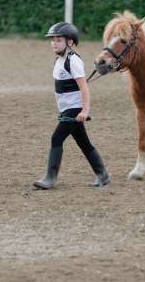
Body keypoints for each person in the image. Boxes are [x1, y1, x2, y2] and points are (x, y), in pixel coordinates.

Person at [34, 22, 110, 189]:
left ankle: (50, 177)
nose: (54, 42)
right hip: (66, 109)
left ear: (70, 42)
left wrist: (84, 110)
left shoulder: (73, 61)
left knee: (56, 138)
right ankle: (102, 174)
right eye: (53, 39)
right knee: (84, 143)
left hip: (75, 109)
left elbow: (84, 88)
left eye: (59, 39)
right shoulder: (58, 61)